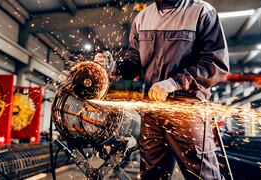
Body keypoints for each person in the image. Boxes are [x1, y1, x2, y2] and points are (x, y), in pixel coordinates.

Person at [95, 0, 229, 179]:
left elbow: (215, 64)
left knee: (202, 175)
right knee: (152, 175)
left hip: (185, 110)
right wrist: (113, 68)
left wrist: (174, 83)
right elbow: (134, 60)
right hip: (150, 111)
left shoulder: (201, 11)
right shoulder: (142, 17)